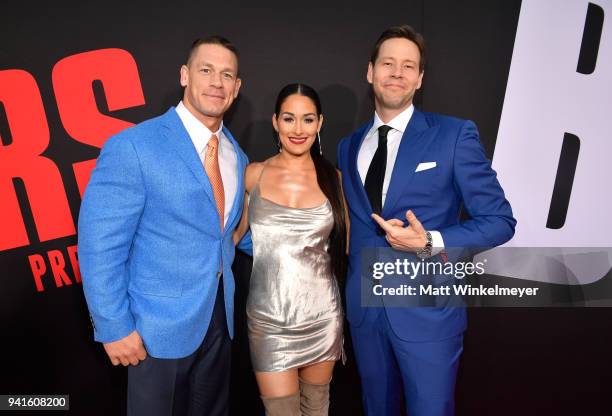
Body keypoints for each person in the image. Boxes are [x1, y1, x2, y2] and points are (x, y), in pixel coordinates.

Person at [336, 25, 516, 416]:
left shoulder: (453, 135)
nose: (396, 73)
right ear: (370, 72)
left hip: (427, 312)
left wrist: (431, 241)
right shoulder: (348, 146)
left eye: (408, 66)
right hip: (365, 312)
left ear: (419, 79)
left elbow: (500, 220)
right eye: (388, 63)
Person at [78, 35, 251, 416]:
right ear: (185, 75)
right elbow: (99, 246)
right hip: (153, 332)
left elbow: (229, 234)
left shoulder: (236, 155)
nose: (216, 82)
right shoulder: (134, 146)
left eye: (227, 75)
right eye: (206, 70)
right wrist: (113, 326)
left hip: (219, 326)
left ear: (237, 88)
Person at [233, 83, 346, 416]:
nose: (298, 130)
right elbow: (233, 238)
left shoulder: (334, 179)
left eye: (307, 120)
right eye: (289, 119)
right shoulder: (255, 174)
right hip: (269, 322)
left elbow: (347, 247)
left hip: (322, 317)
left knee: (316, 410)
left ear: (320, 123)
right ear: (275, 122)